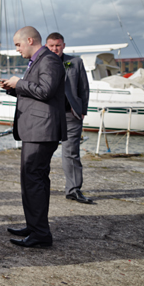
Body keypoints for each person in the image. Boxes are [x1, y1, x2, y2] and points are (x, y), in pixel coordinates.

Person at [1, 26, 67, 248]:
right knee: (32, 179)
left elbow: (46, 91)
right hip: (36, 129)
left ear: (30, 40)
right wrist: (13, 88)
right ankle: (34, 226)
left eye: (18, 45)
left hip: (42, 129)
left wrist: (19, 83)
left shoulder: (49, 60)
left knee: (34, 180)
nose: (17, 49)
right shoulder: (40, 60)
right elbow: (37, 92)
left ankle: (40, 233)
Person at [46, 32, 93, 204]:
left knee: (72, 153)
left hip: (71, 114)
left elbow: (84, 88)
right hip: (48, 115)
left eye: (57, 45)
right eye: (51, 46)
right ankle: (39, 189)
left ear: (63, 45)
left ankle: (73, 190)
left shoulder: (75, 62)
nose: (54, 49)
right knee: (42, 152)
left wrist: (82, 110)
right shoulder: (41, 62)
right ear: (46, 46)